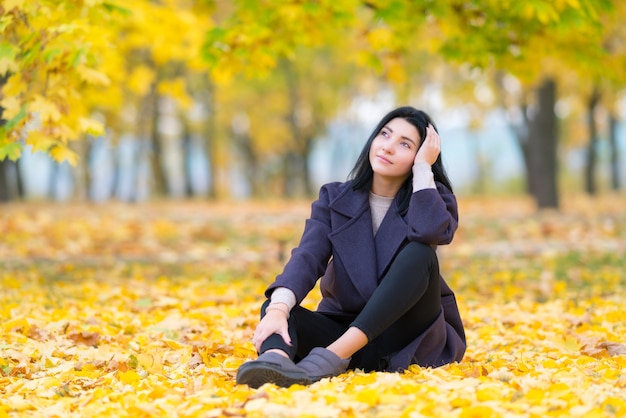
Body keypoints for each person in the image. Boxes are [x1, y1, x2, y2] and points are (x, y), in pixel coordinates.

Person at [236, 106, 466, 388]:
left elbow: (430, 231)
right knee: (279, 305)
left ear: (420, 156)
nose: (388, 147)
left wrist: (422, 171)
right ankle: (275, 362)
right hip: (345, 325)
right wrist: (277, 311)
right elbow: (308, 256)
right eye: (384, 134)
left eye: (405, 144)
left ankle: (331, 358)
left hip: (406, 338)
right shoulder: (335, 198)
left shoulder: (429, 197)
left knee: (420, 253)